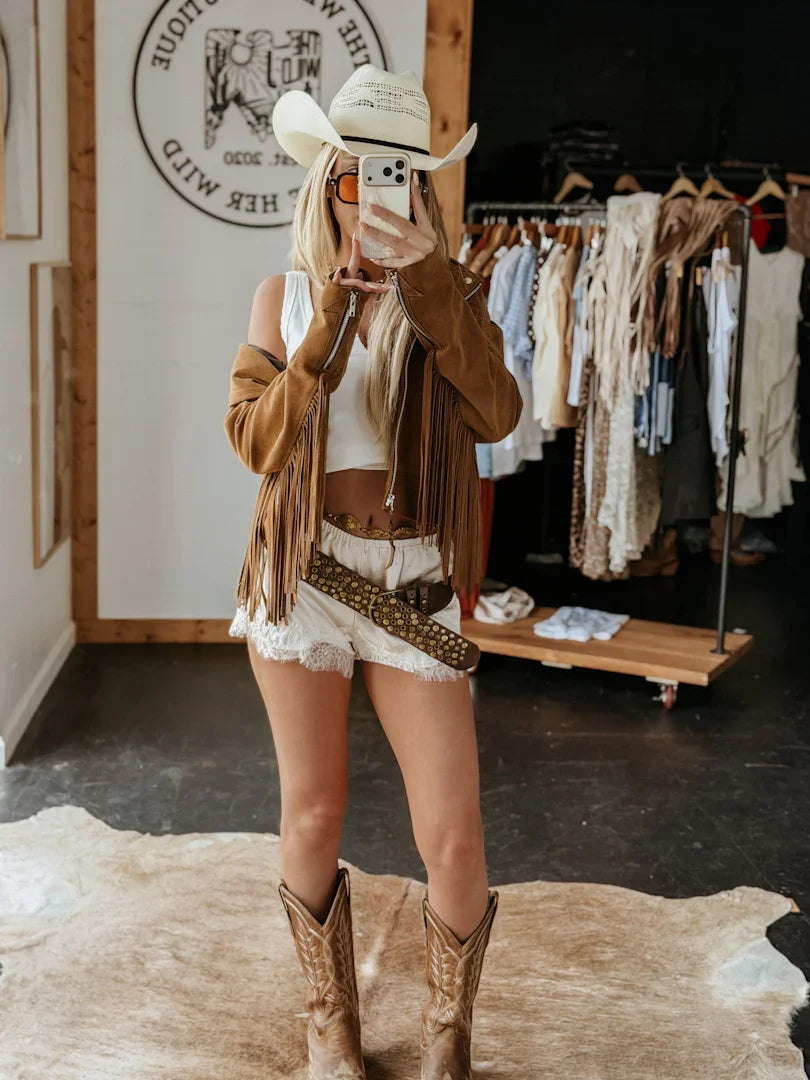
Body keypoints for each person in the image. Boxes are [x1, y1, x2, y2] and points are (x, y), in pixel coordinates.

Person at [224, 65, 522, 1080]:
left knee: (455, 834)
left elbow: (498, 414)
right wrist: (330, 324)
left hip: (413, 579)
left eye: (399, 178)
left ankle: (448, 1037)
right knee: (313, 811)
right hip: (306, 574)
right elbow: (257, 444)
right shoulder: (284, 298)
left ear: (422, 194)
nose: (376, 198)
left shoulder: (452, 298)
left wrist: (429, 284)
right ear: (327, 185)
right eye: (356, 176)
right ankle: (328, 1027)